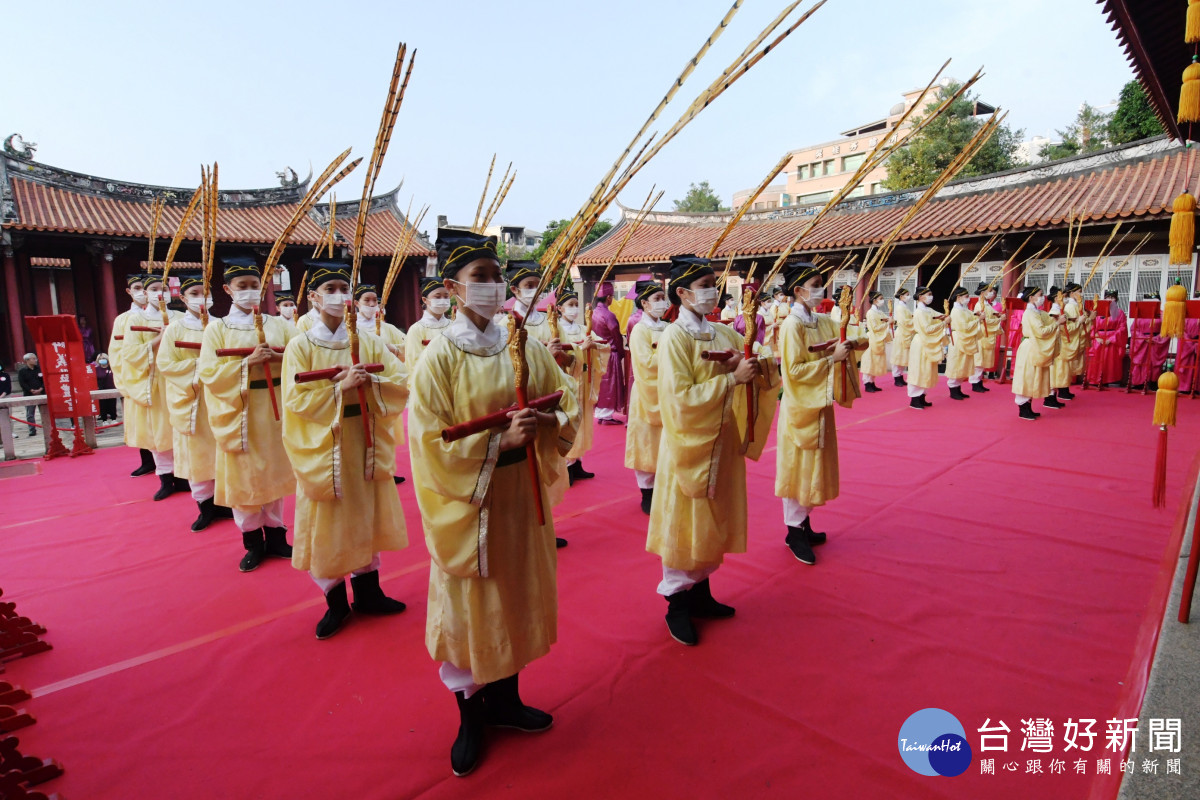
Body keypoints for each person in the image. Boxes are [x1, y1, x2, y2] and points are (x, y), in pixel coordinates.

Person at [408, 229, 579, 777]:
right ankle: (469, 713)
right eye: (478, 278)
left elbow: (564, 402)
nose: (491, 286)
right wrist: (496, 442)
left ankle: (506, 698)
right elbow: (428, 442)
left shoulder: (522, 343)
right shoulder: (439, 358)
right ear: (453, 288)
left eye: (494, 276)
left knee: (515, 592)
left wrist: (547, 421)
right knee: (471, 603)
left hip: (519, 495)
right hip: (469, 503)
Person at [647, 254, 779, 646]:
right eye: (704, 285)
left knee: (713, 517)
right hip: (689, 444)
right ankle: (676, 601)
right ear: (683, 293)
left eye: (713, 283)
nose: (712, 291)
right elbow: (677, 399)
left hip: (720, 439)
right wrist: (730, 382)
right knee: (685, 521)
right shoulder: (675, 337)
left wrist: (755, 363)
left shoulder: (720, 332)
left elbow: (753, 362)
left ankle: (701, 591)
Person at [281, 262, 410, 640]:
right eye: (331, 288)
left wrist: (372, 381)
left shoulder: (367, 341)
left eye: (344, 288)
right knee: (329, 522)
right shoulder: (300, 345)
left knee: (364, 513)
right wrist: (339, 389)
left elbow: (399, 379)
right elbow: (294, 398)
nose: (339, 296)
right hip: (325, 447)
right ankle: (335, 602)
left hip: (364, 440)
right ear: (314, 297)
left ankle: (369, 593)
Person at [198, 255, 298, 573]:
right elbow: (209, 374)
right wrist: (246, 364)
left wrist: (279, 358)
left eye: (255, 285)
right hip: (240, 412)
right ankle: (253, 541)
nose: (249, 291)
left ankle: (278, 536)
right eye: (242, 286)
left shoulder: (280, 324)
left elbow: (301, 360)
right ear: (228, 289)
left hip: (275, 408)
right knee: (245, 478)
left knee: (275, 473)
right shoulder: (217, 330)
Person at [775, 263, 867, 565]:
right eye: (815, 284)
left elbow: (847, 340)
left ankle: (805, 522)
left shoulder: (820, 320)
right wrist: (831, 362)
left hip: (819, 403)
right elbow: (793, 371)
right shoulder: (792, 326)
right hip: (801, 406)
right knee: (798, 468)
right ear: (799, 290)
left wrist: (853, 343)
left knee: (814, 466)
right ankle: (793, 531)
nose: (821, 289)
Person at [156, 275, 231, 531]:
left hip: (221, 398)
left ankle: (225, 502)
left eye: (205, 293)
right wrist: (201, 366)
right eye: (195, 293)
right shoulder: (175, 329)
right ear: (183, 298)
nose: (201, 298)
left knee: (223, 451)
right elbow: (166, 364)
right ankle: (205, 506)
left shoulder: (222, 325)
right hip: (193, 402)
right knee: (198, 456)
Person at [119, 271, 188, 500]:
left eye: (165, 289)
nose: (160, 294)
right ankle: (166, 478)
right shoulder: (135, 320)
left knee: (181, 429)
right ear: (146, 293)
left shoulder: (180, 317)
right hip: (155, 382)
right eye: (154, 289)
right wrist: (159, 339)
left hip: (178, 381)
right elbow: (129, 354)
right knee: (159, 433)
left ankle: (183, 475)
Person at [555, 286, 608, 486]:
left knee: (582, 421)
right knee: (569, 421)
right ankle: (566, 466)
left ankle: (577, 463)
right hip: (567, 382)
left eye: (576, 305)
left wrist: (594, 345)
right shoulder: (557, 329)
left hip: (584, 381)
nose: (574, 309)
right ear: (559, 308)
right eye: (570, 305)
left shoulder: (581, 328)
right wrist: (580, 349)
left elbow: (603, 344)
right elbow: (558, 355)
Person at [625, 280, 669, 514]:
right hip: (647, 392)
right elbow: (645, 363)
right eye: (657, 299)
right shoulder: (640, 330)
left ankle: (662, 487)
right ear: (644, 303)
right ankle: (646, 492)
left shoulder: (669, 327)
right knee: (646, 443)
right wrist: (668, 352)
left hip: (668, 392)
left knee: (664, 442)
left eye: (663, 298)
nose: (662, 303)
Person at [109, 273, 156, 477]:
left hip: (160, 376)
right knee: (142, 424)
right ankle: (148, 461)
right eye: (137, 288)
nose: (142, 293)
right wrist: (128, 379)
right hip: (138, 377)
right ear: (129, 291)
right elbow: (117, 352)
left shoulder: (164, 315)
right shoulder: (123, 320)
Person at [1012, 285, 1062, 420]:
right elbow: (1041, 331)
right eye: (1040, 295)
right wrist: (1056, 324)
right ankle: (1023, 408)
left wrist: (1058, 308)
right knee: (1027, 376)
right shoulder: (1030, 313)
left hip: (1035, 346)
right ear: (1031, 297)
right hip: (1030, 347)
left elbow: (1050, 318)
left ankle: (1028, 406)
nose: (1042, 298)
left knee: (1033, 376)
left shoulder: (1038, 312)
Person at [591, 282, 628, 425]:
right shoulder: (609, 315)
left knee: (601, 383)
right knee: (610, 384)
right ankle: (606, 415)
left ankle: (600, 412)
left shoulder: (593, 314)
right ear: (608, 298)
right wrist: (621, 353)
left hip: (597, 352)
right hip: (610, 353)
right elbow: (617, 337)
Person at [906, 286, 945, 410]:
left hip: (928, 342)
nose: (930, 297)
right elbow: (927, 329)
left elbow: (938, 315)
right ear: (920, 297)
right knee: (919, 369)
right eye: (928, 294)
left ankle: (922, 396)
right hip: (921, 342)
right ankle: (914, 399)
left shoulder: (928, 310)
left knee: (926, 369)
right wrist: (943, 323)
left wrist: (944, 317)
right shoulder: (919, 312)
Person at [404, 277, 454, 366]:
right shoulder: (416, 329)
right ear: (425, 300)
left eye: (446, 296)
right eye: (437, 297)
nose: (442, 300)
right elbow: (413, 364)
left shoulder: (454, 326)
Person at [945, 286, 983, 400]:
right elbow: (964, 327)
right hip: (958, 338)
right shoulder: (956, 311)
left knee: (963, 364)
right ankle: (953, 389)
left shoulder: (964, 309)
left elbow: (971, 316)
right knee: (957, 363)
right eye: (966, 297)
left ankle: (958, 388)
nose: (968, 299)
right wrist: (978, 320)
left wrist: (976, 315)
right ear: (959, 297)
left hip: (965, 338)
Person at [1047, 286, 1081, 407]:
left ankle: (1054, 395)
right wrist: (1078, 322)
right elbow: (1063, 329)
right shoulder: (1054, 312)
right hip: (1057, 343)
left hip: (1060, 344)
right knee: (1055, 371)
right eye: (1064, 296)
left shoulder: (1060, 310)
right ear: (1057, 298)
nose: (1065, 298)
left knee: (1059, 371)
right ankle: (1050, 397)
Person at [1086, 290, 1127, 386]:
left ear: (1116, 299)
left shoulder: (1119, 312)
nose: (1110, 299)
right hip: (1098, 339)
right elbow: (1091, 325)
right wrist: (1096, 337)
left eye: (1112, 297)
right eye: (1108, 297)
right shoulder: (1096, 312)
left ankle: (1110, 380)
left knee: (1110, 361)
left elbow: (1122, 328)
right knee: (1096, 361)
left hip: (1112, 340)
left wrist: (1111, 339)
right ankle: (1095, 380)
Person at [355, 283, 405, 360]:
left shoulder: (387, 328)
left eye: (374, 300)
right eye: (367, 300)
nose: (372, 304)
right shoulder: (351, 328)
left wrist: (394, 348)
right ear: (356, 303)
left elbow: (410, 344)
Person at [861, 291, 891, 393]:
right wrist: (887, 323)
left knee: (875, 362)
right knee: (870, 361)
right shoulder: (870, 313)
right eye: (880, 298)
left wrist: (890, 320)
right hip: (872, 339)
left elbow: (886, 320)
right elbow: (875, 327)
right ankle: (867, 383)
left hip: (879, 339)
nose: (882, 300)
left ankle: (872, 382)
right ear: (874, 300)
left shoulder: (879, 312)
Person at [974, 283, 1003, 380]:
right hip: (982, 334)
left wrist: (998, 315)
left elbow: (994, 314)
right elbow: (985, 320)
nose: (992, 293)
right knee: (979, 359)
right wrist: (999, 319)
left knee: (984, 359)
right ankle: (975, 382)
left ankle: (979, 381)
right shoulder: (979, 305)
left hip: (988, 334)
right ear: (983, 292)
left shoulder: (987, 305)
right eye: (990, 291)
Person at [891, 287, 914, 386]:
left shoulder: (904, 307)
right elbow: (905, 322)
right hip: (902, 333)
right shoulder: (900, 308)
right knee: (898, 356)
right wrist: (916, 320)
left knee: (903, 356)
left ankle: (900, 376)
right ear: (901, 296)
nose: (908, 297)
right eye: (907, 294)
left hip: (906, 333)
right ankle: (896, 377)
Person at [17, 354, 43, 437]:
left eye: (36, 358)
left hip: (41, 393)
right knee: (30, 414)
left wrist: (41, 389)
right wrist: (30, 390)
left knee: (45, 412)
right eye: (33, 359)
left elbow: (44, 380)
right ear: (27, 360)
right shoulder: (22, 371)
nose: (36, 360)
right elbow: (22, 383)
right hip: (29, 394)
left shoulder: (39, 369)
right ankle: (32, 429)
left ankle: (48, 428)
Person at [93, 353, 118, 422]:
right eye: (100, 359)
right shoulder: (96, 369)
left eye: (103, 358)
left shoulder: (112, 368)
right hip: (101, 390)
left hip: (112, 389)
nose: (102, 360)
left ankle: (113, 419)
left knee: (112, 405)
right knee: (103, 406)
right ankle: (104, 420)